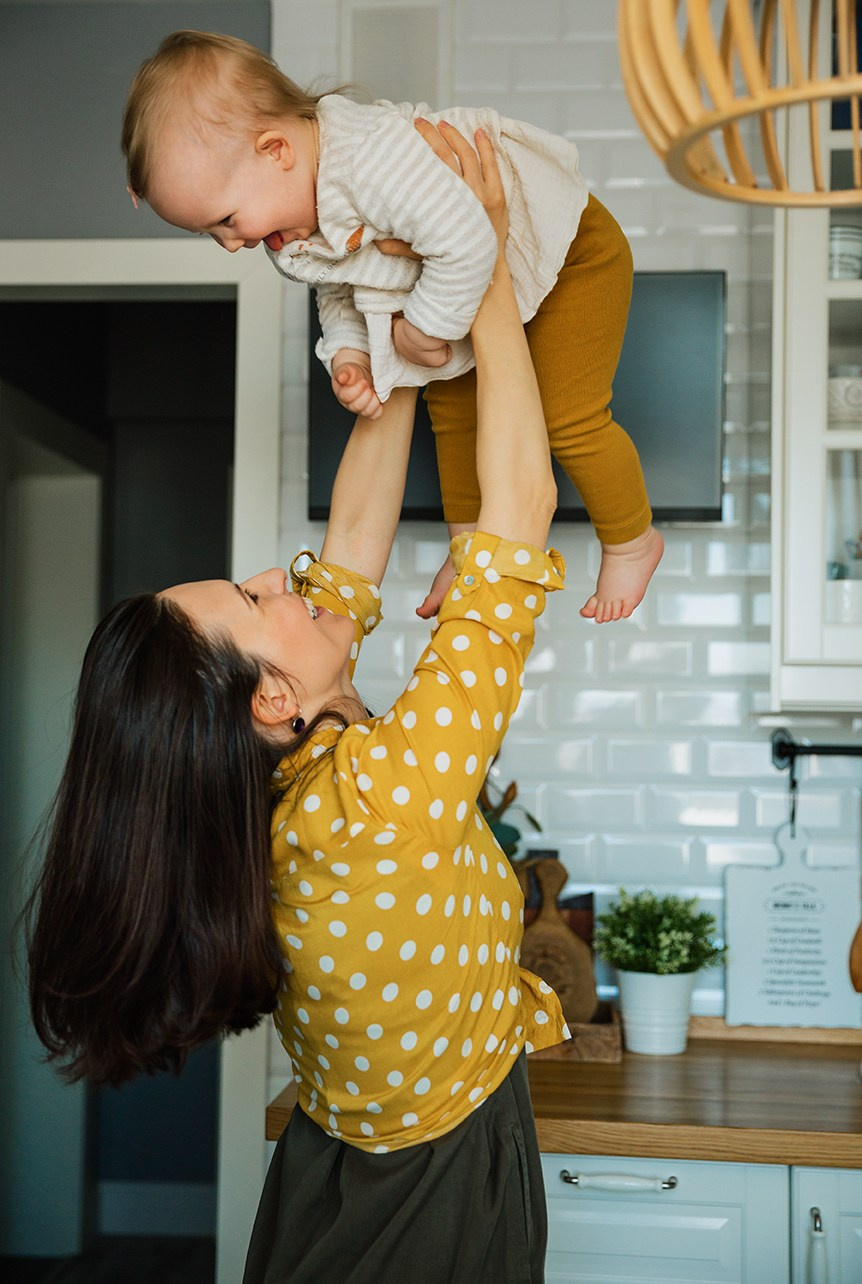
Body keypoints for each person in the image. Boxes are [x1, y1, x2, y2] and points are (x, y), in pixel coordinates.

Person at [27, 123, 568, 1283]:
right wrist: (481, 262)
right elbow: (519, 509)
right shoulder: (377, 801)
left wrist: (394, 312)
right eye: (252, 596)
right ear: (271, 695)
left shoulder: (275, 793)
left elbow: (355, 532)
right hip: (432, 1191)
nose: (281, 575)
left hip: (332, 1170)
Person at [121, 28, 664, 624]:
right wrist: (349, 354)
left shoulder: (368, 158)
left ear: (275, 150)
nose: (231, 244)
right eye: (211, 233)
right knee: (451, 412)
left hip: (565, 251)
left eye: (226, 220)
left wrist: (423, 329)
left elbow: (467, 239)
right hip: (466, 281)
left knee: (567, 418)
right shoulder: (292, 229)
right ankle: (470, 552)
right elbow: (340, 288)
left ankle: (632, 541)